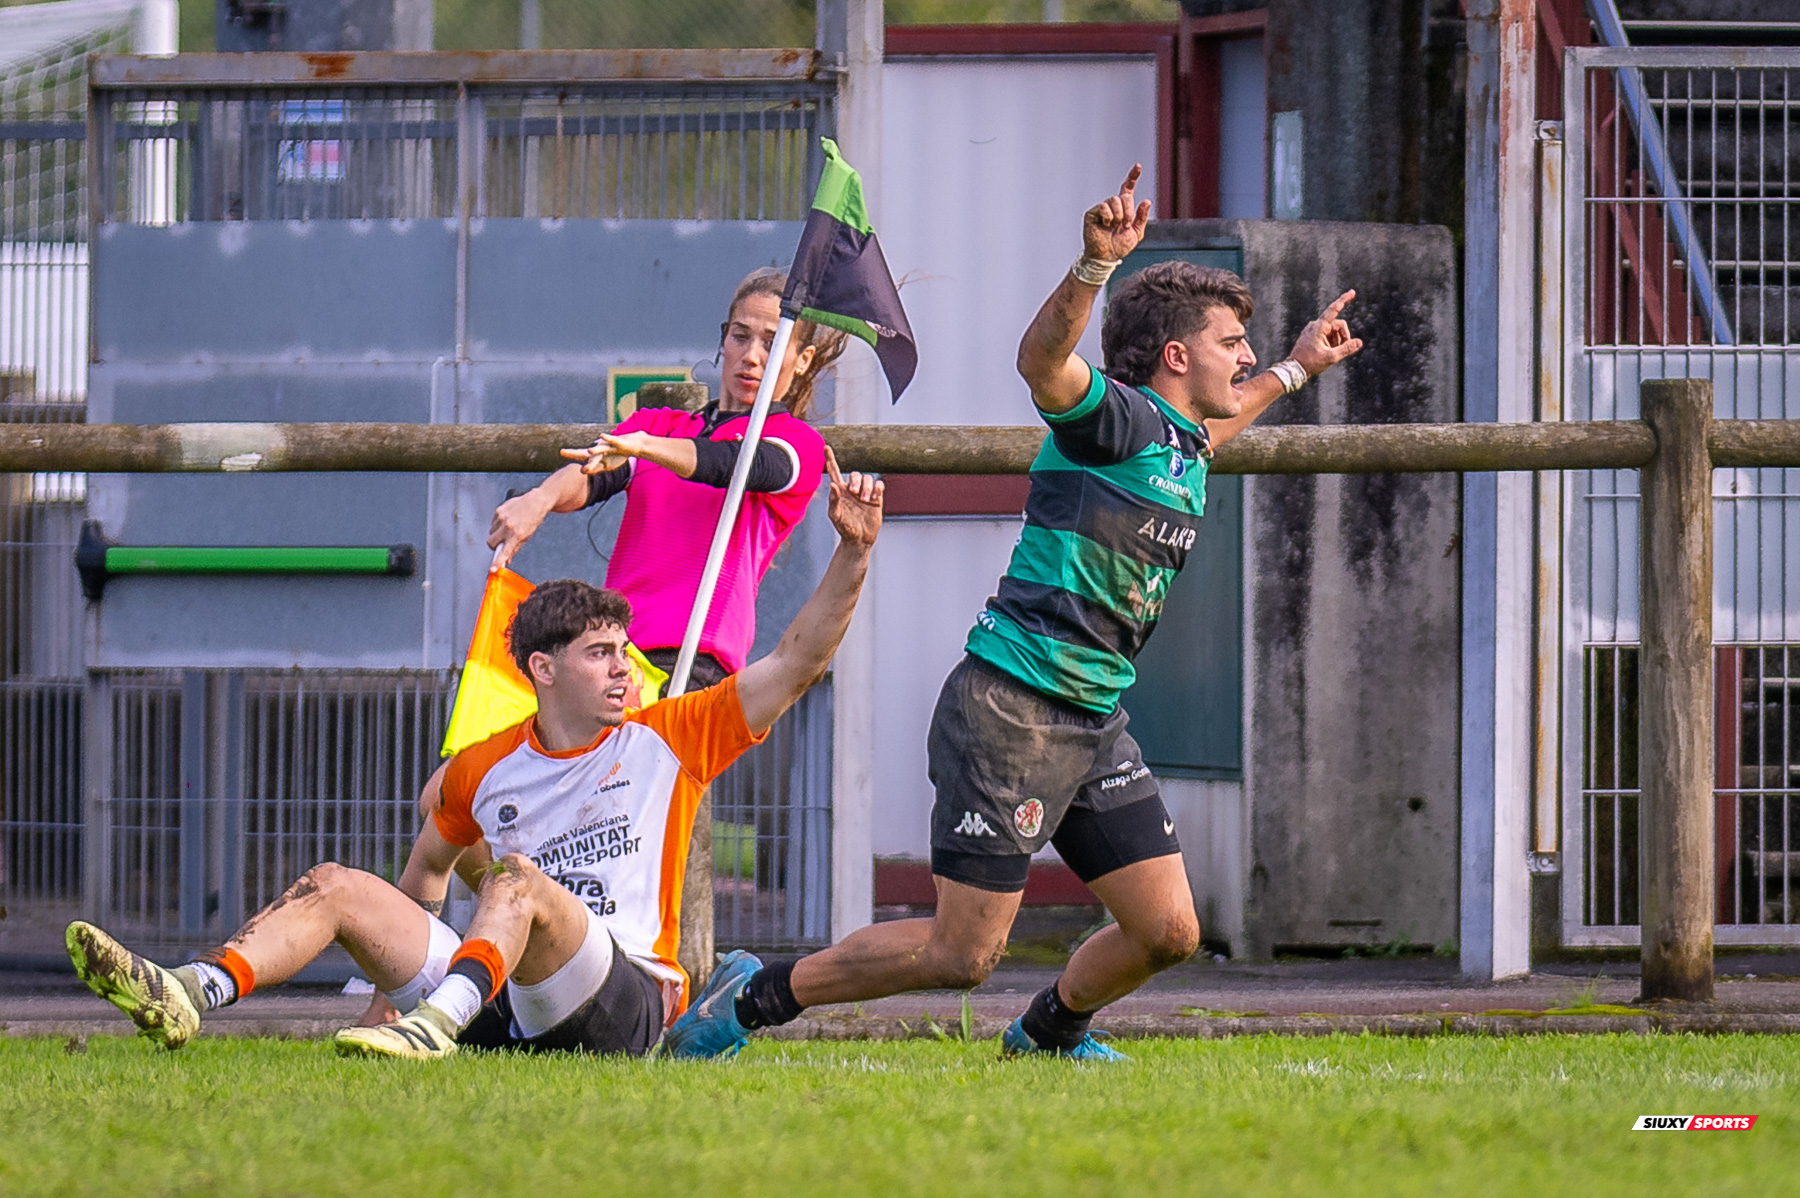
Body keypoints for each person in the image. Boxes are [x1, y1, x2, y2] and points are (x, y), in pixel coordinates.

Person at [665, 165, 1364, 1061]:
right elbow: (1041, 365)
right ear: (1176, 357)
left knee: (1167, 931)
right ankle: (751, 997)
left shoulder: (1180, 441)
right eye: (1232, 342)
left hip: (1091, 718)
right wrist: (1093, 265)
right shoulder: (1114, 421)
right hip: (1013, 711)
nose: (1245, 357)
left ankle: (1047, 1033)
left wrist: (1299, 366)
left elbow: (1216, 428)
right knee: (960, 955)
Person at [64, 450, 884, 1058]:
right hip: (507, 999)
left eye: (623, 651)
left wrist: (853, 551)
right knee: (336, 884)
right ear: (543, 670)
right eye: (601, 653)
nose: (626, 669)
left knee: (514, 879)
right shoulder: (482, 767)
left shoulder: (671, 735)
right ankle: (190, 990)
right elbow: (426, 870)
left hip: (625, 1000)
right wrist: (389, 991)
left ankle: (437, 1027)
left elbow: (796, 662)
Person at [487, 267, 847, 691]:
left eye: (772, 343)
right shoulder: (659, 425)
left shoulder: (798, 443)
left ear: (803, 360)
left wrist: (644, 445)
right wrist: (540, 498)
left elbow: (732, 463)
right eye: (740, 336)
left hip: (698, 664)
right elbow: (594, 472)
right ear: (723, 339)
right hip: (618, 655)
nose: (751, 356)